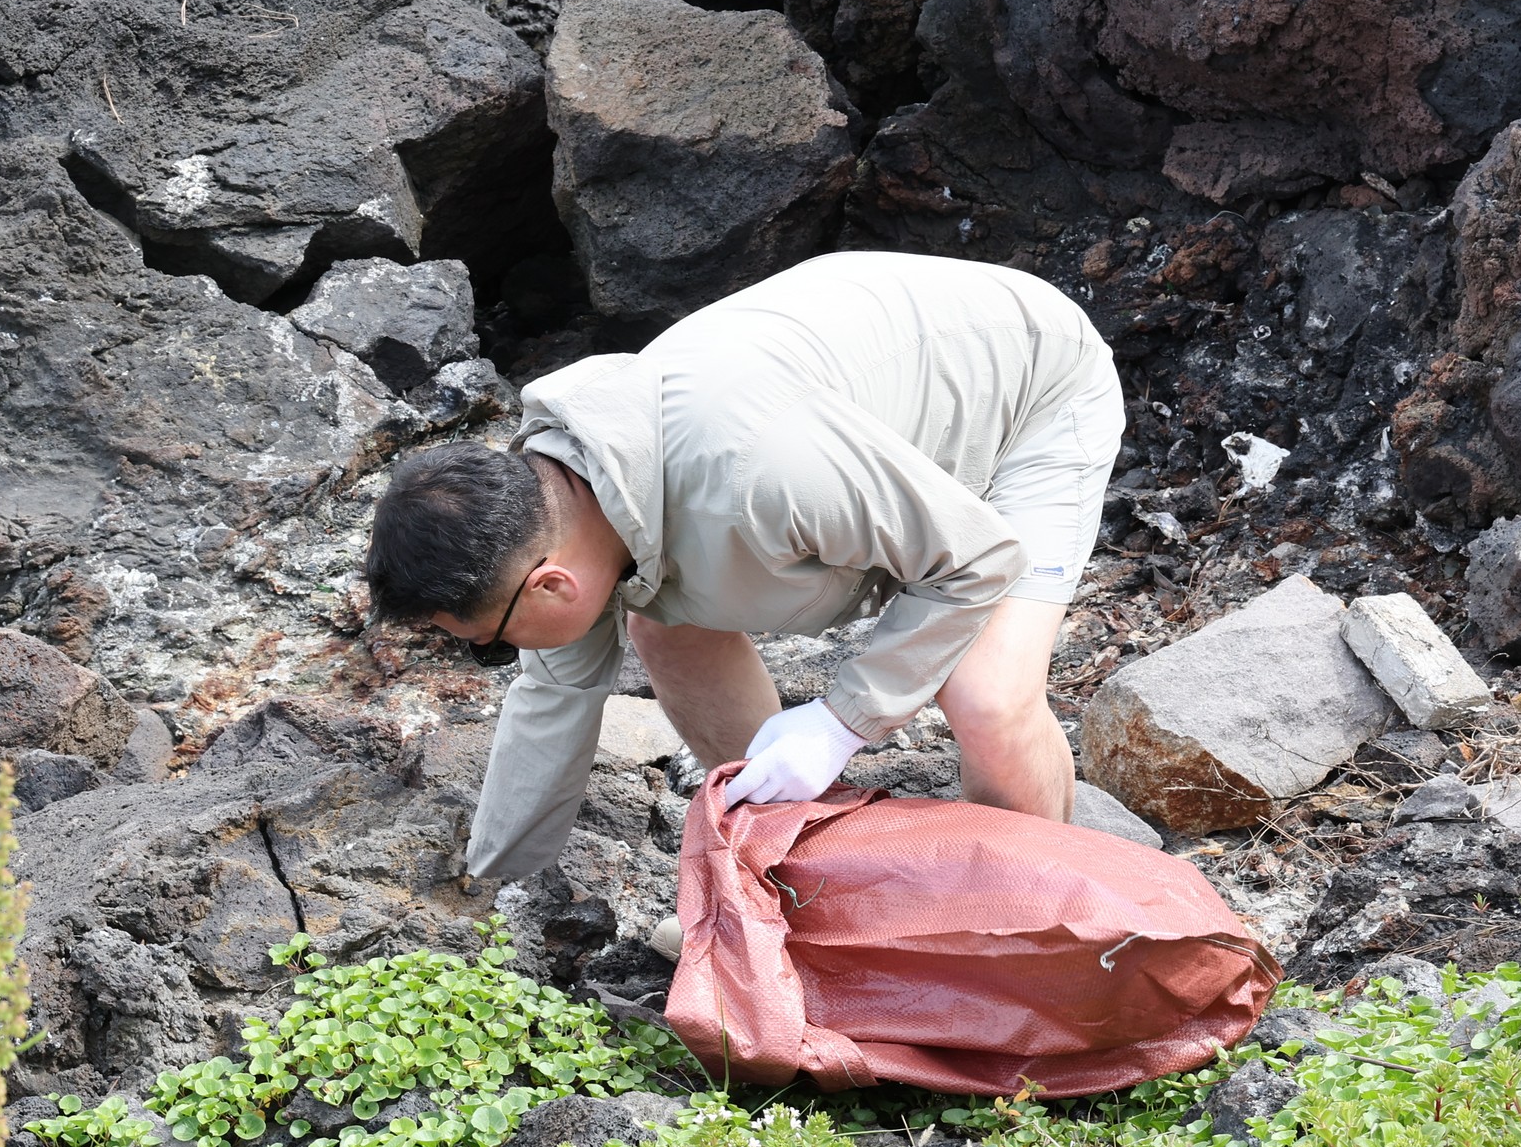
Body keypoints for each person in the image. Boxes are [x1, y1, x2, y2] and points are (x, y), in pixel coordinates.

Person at [366, 250, 1125, 884]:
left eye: (490, 641)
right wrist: (492, 887)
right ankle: (809, 861)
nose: (506, 656)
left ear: (551, 585)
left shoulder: (755, 471)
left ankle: (1038, 921)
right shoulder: (566, 500)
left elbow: (974, 558)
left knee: (987, 695)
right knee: (670, 630)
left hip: (1028, 387)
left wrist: (840, 724)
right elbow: (553, 702)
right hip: (870, 427)